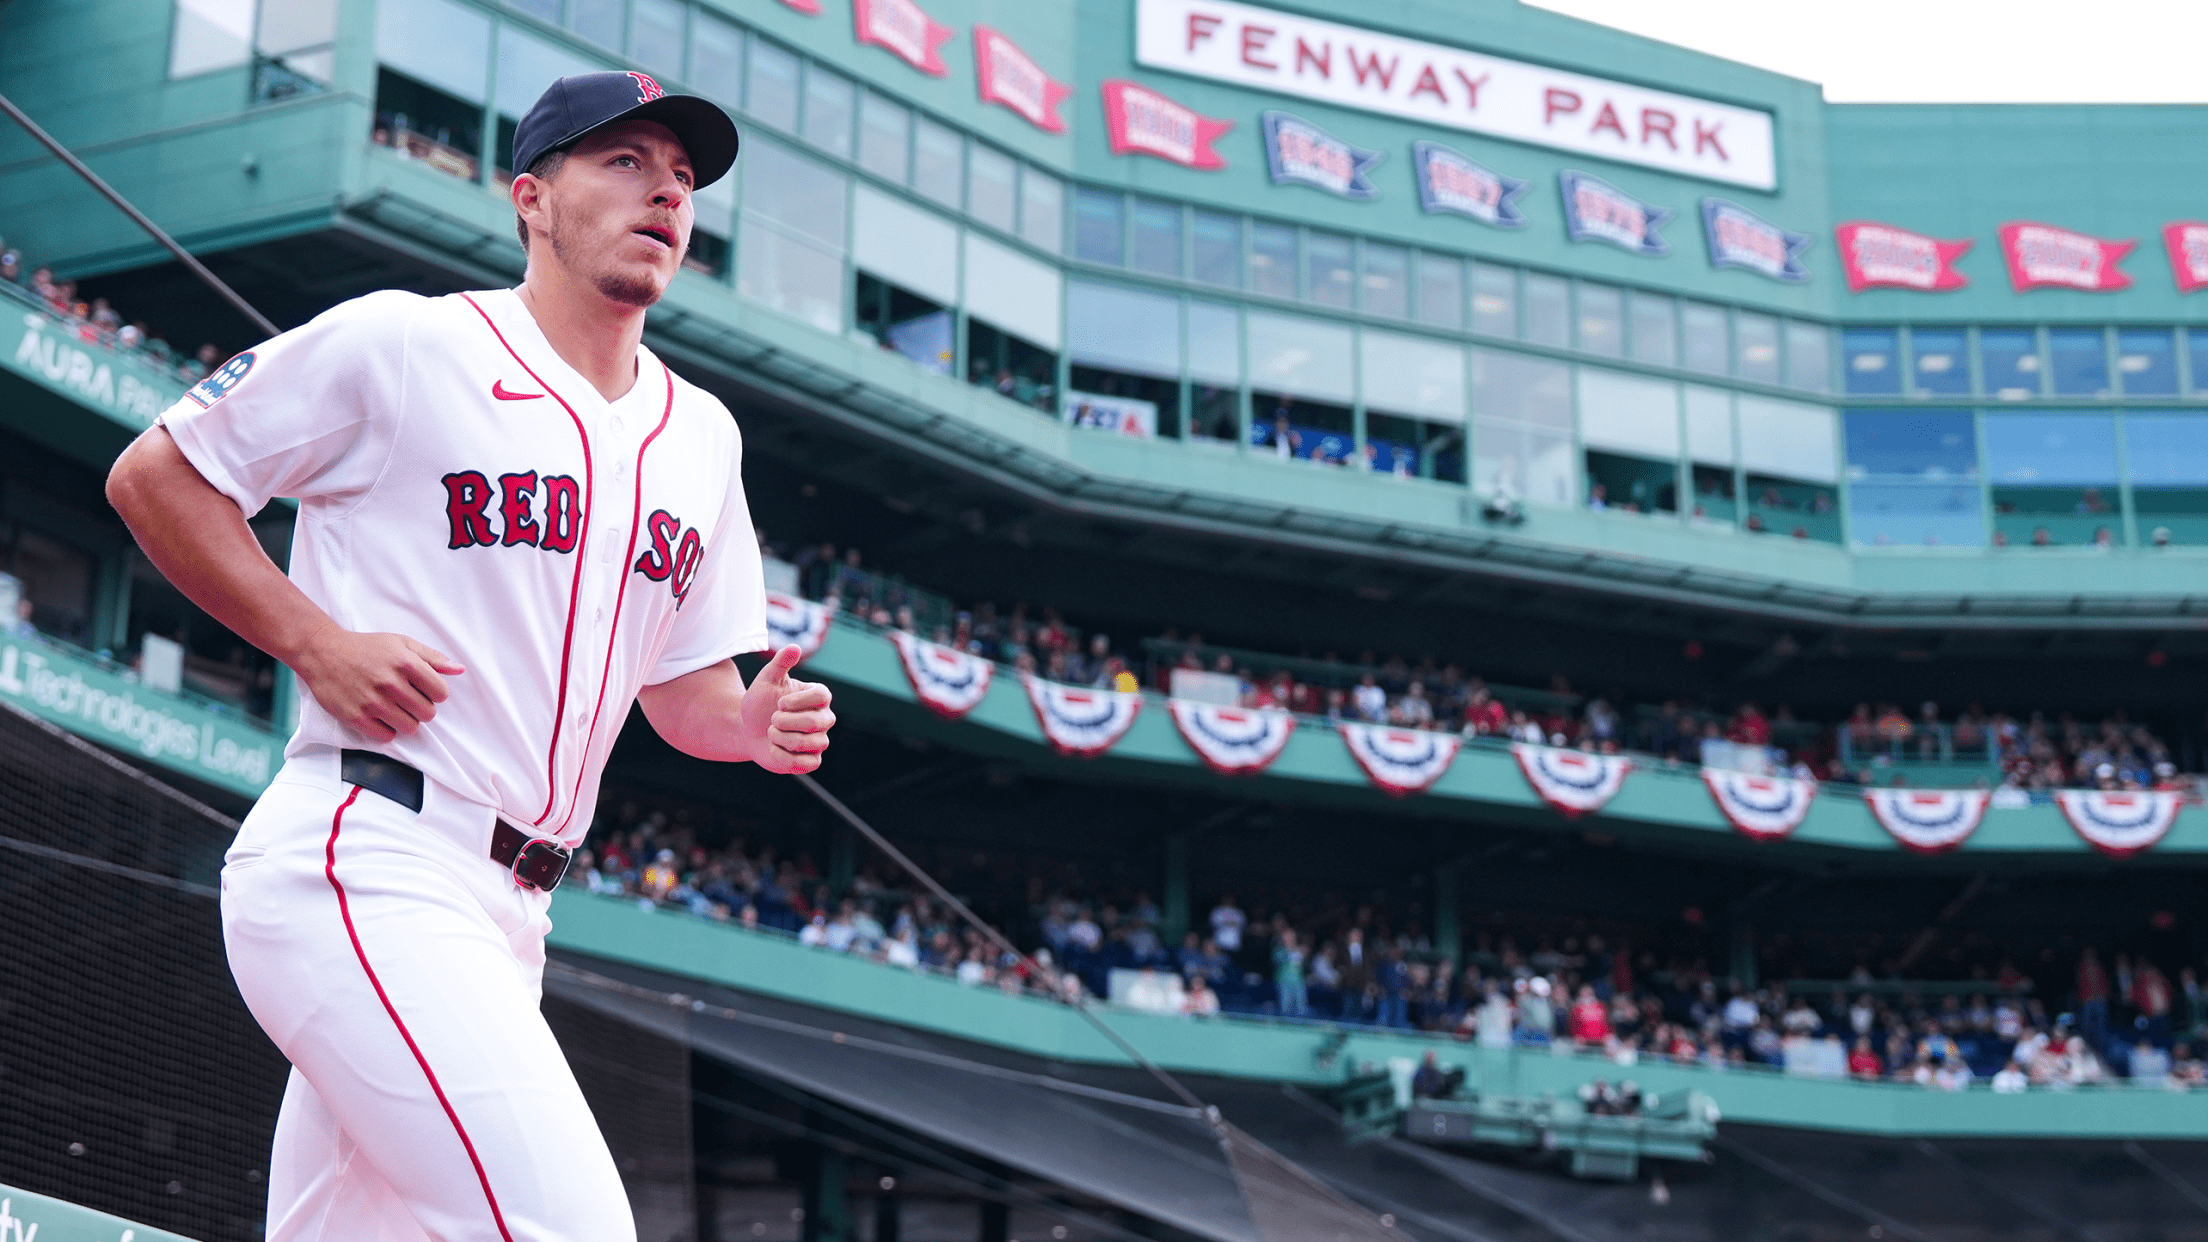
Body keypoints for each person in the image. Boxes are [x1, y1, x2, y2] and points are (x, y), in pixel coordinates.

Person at [104, 72, 834, 1241]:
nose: (667, 193)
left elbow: (684, 691)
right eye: (628, 163)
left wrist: (745, 727)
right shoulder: (412, 341)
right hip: (370, 854)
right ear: (532, 198)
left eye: (685, 178)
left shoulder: (702, 434)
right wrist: (315, 641)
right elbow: (156, 476)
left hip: (513, 918)